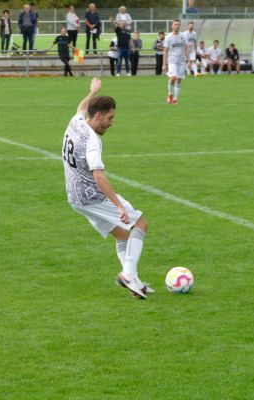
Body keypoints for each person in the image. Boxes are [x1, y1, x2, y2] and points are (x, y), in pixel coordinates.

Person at [62, 77, 153, 300]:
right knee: (140, 224)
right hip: (91, 196)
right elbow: (98, 175)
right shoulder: (92, 140)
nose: (111, 123)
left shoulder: (75, 122)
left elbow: (81, 107)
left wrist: (92, 91)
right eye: (110, 118)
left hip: (75, 198)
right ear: (98, 115)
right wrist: (118, 205)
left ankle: (134, 282)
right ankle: (128, 274)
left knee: (121, 234)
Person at [163, 19, 189, 105]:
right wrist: (164, 64)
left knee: (179, 80)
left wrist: (188, 59)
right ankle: (170, 94)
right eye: (175, 24)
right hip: (172, 60)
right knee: (173, 77)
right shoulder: (168, 37)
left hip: (182, 61)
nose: (177, 26)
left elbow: (186, 47)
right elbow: (165, 51)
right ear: (172, 26)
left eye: (178, 25)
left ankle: (175, 99)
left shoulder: (183, 36)